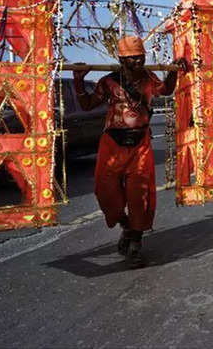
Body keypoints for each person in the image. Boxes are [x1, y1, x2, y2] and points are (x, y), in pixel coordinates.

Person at [73, 35, 188, 268]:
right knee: (106, 193)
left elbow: (165, 90)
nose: (137, 62)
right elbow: (86, 105)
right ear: (121, 60)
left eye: (140, 57)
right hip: (112, 145)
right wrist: (78, 81)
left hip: (140, 145)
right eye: (131, 58)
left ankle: (135, 243)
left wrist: (174, 71)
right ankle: (125, 225)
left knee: (139, 195)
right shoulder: (108, 82)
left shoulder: (149, 78)